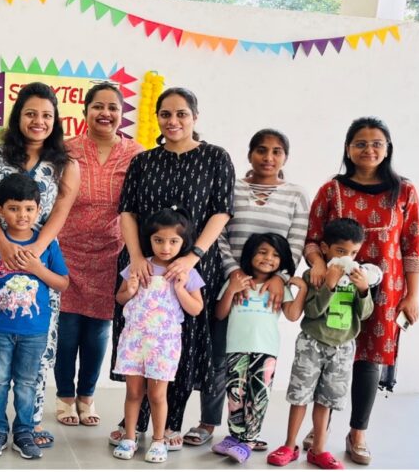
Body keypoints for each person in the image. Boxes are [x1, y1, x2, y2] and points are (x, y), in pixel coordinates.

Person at [109, 87, 235, 450]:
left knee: (180, 343)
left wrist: (192, 256)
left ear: (195, 116)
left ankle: (171, 423)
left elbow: (221, 212)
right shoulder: (143, 161)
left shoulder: (215, 158)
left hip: (192, 263)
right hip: (143, 262)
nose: (173, 121)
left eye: (181, 113)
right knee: (136, 336)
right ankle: (135, 421)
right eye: (165, 114)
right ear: (157, 118)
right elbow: (128, 211)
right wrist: (135, 256)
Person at [0, 82, 79, 448]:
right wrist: (1, 243)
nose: (38, 121)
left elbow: (60, 213)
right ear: (18, 116)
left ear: (55, 120)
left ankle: (29, 422)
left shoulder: (65, 164)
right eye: (31, 113)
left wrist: (33, 252)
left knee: (35, 343)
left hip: (39, 257)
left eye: (47, 115)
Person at [303, 117, 419, 465]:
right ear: (348, 148)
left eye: (376, 143)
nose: (368, 149)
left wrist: (412, 295)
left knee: (369, 360)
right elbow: (312, 238)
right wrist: (319, 265)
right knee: (328, 351)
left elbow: (412, 246)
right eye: (360, 143)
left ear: (387, 149)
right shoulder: (331, 191)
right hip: (335, 289)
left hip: (384, 291)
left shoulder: (405, 192)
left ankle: (358, 431)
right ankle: (318, 429)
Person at [187, 128, 309, 447]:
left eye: (277, 151)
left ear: (285, 157)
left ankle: (246, 430)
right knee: (218, 356)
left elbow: (296, 242)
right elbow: (220, 233)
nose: (268, 157)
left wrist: (279, 279)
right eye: (261, 150)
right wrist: (234, 274)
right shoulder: (233, 188)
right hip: (229, 281)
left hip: (269, 289)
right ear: (250, 153)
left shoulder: (295, 195)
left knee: (254, 358)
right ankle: (207, 422)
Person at [55, 82, 143, 427]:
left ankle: (87, 398)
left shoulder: (137, 154)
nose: (105, 113)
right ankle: (64, 398)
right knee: (66, 330)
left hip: (112, 254)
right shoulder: (65, 150)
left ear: (122, 114)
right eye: (98, 107)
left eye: (113, 108)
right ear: (85, 110)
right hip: (66, 251)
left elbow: (137, 207)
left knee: (98, 334)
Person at [0, 174, 70, 460]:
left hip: (34, 331)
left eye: (28, 208)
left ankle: (24, 431)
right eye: (13, 208)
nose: (22, 215)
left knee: (27, 382)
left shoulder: (47, 246)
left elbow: (62, 283)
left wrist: (37, 269)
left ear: (38, 209)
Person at [268, 218, 374, 470]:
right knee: (300, 397)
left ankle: (318, 450)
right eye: (341, 251)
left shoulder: (359, 278)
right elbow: (313, 311)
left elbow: (366, 314)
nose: (347, 257)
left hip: (343, 347)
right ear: (325, 249)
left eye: (353, 253)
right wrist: (329, 284)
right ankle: (289, 445)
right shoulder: (314, 275)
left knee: (326, 401)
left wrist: (363, 290)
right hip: (312, 344)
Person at [112, 207, 205, 463]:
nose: (166, 247)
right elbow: (120, 298)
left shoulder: (186, 273)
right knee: (133, 393)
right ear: (149, 240)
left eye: (173, 241)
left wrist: (180, 288)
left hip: (164, 344)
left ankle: (158, 440)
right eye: (159, 240)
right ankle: (129, 437)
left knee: (157, 395)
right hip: (134, 340)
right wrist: (129, 290)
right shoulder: (138, 266)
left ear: (184, 242)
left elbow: (196, 308)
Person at [211, 233, 307, 463]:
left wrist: (302, 289)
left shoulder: (278, 287)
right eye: (262, 252)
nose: (268, 258)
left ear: (282, 261)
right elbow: (220, 313)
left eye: (275, 255)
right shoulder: (236, 281)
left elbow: (293, 315)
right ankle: (234, 437)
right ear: (250, 254)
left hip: (265, 350)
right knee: (236, 396)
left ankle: (249, 441)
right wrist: (232, 288)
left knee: (258, 396)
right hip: (236, 348)